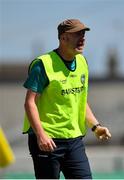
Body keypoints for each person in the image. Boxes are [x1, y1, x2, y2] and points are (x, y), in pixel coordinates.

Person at [23, 19, 111, 179]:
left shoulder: (82, 62)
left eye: (83, 34)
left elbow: (79, 101)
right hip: (48, 141)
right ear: (63, 38)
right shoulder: (43, 64)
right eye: (77, 34)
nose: (82, 38)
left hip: (74, 141)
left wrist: (95, 126)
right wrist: (41, 135)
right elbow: (29, 103)